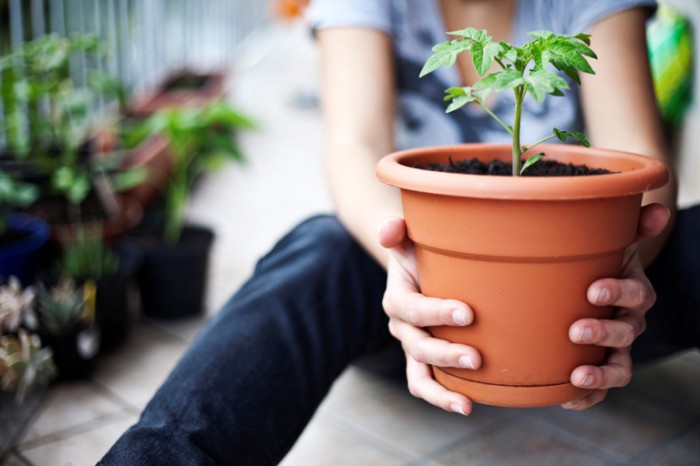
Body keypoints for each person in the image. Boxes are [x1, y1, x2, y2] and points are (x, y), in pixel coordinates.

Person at [99, 0, 696, 464]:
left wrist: (624, 263)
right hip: (416, 311)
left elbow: (639, 161)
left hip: (589, 306)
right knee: (322, 247)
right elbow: (353, 144)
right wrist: (406, 267)